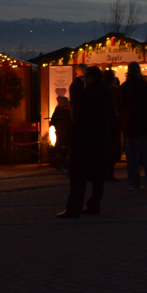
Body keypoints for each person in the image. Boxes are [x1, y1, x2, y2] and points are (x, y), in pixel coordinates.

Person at [57, 66, 112, 218]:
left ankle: (73, 208)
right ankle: (94, 205)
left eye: (86, 77)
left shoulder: (88, 94)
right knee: (97, 176)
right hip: (101, 138)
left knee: (78, 176)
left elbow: (82, 118)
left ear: (92, 77)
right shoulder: (107, 91)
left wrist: (75, 134)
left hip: (86, 140)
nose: (85, 80)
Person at [117, 62, 147, 191]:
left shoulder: (123, 87)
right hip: (142, 126)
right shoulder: (142, 85)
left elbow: (118, 106)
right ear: (138, 71)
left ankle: (133, 183)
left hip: (128, 126)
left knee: (131, 156)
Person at [101, 69, 121, 181]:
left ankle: (105, 172)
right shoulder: (114, 90)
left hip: (103, 122)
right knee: (113, 146)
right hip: (112, 121)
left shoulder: (99, 90)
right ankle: (109, 173)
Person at [49, 96, 73, 171]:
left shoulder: (59, 110)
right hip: (63, 131)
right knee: (65, 144)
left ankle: (63, 157)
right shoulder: (65, 111)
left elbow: (53, 121)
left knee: (63, 143)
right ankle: (63, 158)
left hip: (63, 131)